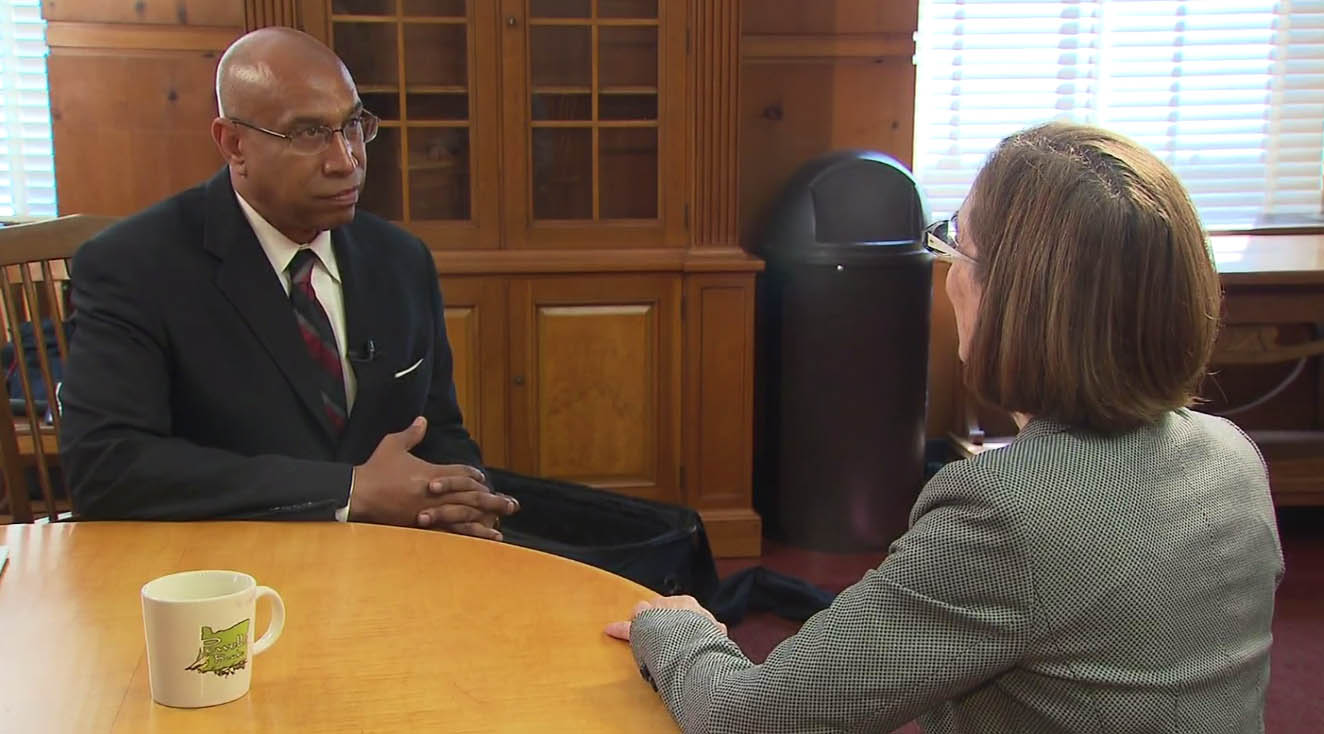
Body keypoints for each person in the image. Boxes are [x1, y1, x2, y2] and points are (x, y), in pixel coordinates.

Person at [605, 122, 1285, 732]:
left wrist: (682, 632)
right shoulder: (1233, 458)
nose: (950, 276)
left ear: (1016, 301)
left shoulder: (1009, 515)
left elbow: (746, 721)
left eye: (959, 248)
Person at [59, 28, 517, 538]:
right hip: (233, 570)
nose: (346, 161)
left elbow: (438, 429)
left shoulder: (402, 260)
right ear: (234, 144)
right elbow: (106, 468)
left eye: (353, 126)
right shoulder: (133, 266)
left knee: (609, 561)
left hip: (405, 555)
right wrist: (346, 491)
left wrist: (465, 503)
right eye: (309, 134)